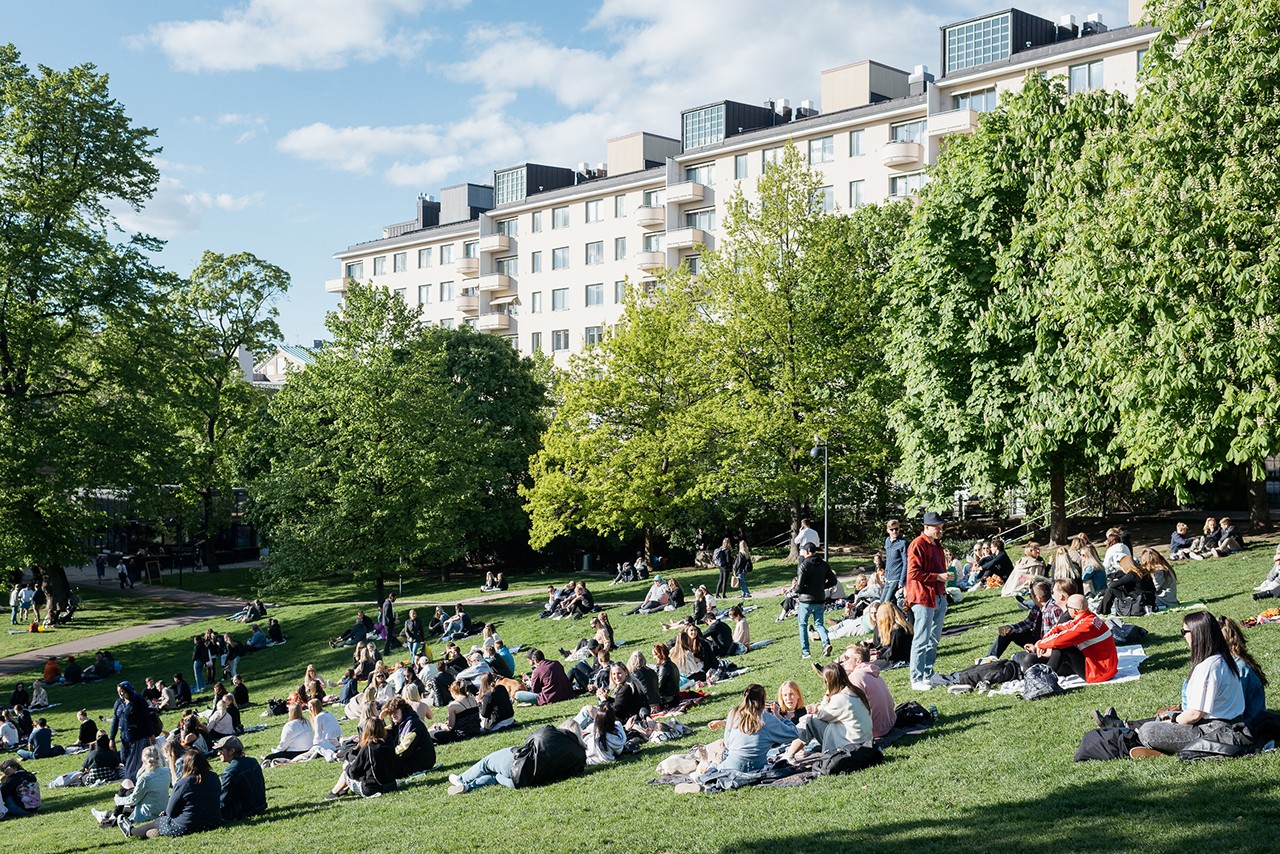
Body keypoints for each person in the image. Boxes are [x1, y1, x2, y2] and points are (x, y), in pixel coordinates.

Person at [1130, 611, 1245, 758]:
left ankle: (1166, 750)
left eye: (1184, 631)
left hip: (1213, 730)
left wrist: (1173, 721)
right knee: (1162, 718)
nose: (1183, 636)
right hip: (1231, 724)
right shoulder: (1223, 659)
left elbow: (1194, 715)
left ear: (1197, 634)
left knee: (1148, 731)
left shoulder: (1208, 667)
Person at [121, 747, 222, 839]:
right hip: (213, 821)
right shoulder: (214, 777)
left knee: (159, 821)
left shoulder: (184, 783)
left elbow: (170, 812)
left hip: (188, 825)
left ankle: (132, 831)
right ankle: (156, 832)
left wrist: (166, 814)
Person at [1015, 594, 1117, 683]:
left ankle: (1044, 680)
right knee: (1036, 656)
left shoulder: (1086, 626)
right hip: (1105, 667)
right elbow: (1060, 627)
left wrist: (1040, 645)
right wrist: (1042, 642)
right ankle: (1041, 674)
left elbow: (1060, 640)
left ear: (1075, 611)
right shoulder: (1089, 617)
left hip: (1099, 672)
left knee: (1061, 647)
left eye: (1068, 607)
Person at [782, 663, 873, 759]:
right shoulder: (855, 691)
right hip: (863, 739)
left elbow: (822, 715)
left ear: (828, 681)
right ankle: (795, 751)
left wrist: (821, 702)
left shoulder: (841, 699)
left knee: (808, 720)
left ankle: (789, 754)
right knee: (809, 720)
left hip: (850, 744)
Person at [906, 511, 951, 691]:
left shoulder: (937, 545)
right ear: (926, 527)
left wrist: (942, 586)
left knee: (934, 638)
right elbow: (913, 573)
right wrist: (938, 577)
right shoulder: (917, 544)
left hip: (939, 596)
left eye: (941, 527)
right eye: (937, 527)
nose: (940, 530)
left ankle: (927, 673)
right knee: (921, 638)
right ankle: (916, 678)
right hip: (923, 597)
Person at [711, 683, 799, 773]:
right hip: (757, 767)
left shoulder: (733, 713)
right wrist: (779, 716)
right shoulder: (766, 718)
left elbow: (727, 743)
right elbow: (794, 733)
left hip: (732, 766)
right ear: (763, 700)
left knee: (714, 760)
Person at [92, 744, 168, 829]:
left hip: (147, 813)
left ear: (143, 759)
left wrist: (119, 800)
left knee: (124, 810)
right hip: (161, 808)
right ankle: (109, 814)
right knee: (127, 782)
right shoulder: (166, 771)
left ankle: (110, 817)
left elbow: (134, 800)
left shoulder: (145, 778)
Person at [327, 717, 396, 799]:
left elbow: (354, 772)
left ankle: (333, 793)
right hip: (391, 785)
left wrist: (347, 767)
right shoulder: (389, 741)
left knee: (347, 770)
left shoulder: (368, 747)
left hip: (373, 789)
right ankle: (343, 791)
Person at [838, 643, 896, 739]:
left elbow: (847, 707)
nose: (843, 661)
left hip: (874, 731)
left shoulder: (856, 676)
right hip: (889, 724)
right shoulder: (872, 671)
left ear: (858, 661)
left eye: (847, 658)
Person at [989, 581, 1058, 659]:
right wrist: (1010, 628)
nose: (1031, 599)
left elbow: (1054, 635)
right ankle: (990, 657)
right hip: (1036, 638)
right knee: (1004, 631)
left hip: (1046, 646)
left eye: (1031, 597)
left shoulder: (1053, 610)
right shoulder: (1037, 607)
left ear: (1038, 598)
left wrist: (1038, 646)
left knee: (1021, 658)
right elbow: (1028, 623)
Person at [795, 541, 837, 660]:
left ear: (807, 551)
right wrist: (822, 586)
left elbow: (799, 585)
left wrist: (795, 591)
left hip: (806, 600)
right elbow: (833, 581)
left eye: (803, 550)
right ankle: (826, 643)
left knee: (803, 624)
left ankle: (806, 652)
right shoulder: (824, 564)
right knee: (819, 624)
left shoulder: (804, 565)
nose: (802, 553)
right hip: (820, 599)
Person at [212, 735, 266, 823]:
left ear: (232, 751)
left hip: (242, 812)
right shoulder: (253, 761)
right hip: (260, 806)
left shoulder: (230, 772)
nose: (218, 754)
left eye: (221, 750)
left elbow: (223, 801)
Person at [385, 695, 436, 777]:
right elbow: (381, 733)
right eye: (390, 713)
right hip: (411, 759)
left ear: (403, 710)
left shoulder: (412, 724)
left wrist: (387, 756)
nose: (392, 715)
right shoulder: (399, 723)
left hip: (421, 762)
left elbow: (404, 749)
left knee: (385, 769)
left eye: (395, 712)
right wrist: (380, 718)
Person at [879, 519, 907, 604]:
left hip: (897, 577)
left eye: (896, 529)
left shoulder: (903, 543)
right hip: (888, 577)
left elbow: (906, 562)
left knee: (886, 603)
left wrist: (902, 581)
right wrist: (884, 574)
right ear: (888, 530)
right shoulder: (887, 541)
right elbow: (888, 560)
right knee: (881, 602)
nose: (894, 531)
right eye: (892, 529)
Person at [652, 643, 681, 708]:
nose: (654, 658)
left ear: (659, 655)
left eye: (654, 655)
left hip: (669, 700)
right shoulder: (671, 664)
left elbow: (659, 688)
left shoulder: (664, 668)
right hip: (675, 697)